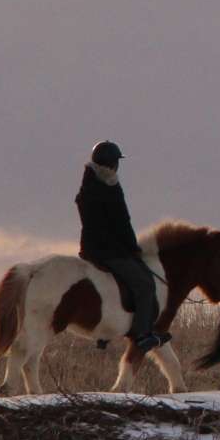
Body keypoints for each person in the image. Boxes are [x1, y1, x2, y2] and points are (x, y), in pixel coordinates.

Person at [76, 141, 163, 352]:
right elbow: (123, 223)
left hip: (90, 249)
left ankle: (106, 334)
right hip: (110, 251)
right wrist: (133, 248)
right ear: (112, 163)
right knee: (144, 285)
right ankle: (142, 335)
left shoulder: (88, 185)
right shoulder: (110, 186)